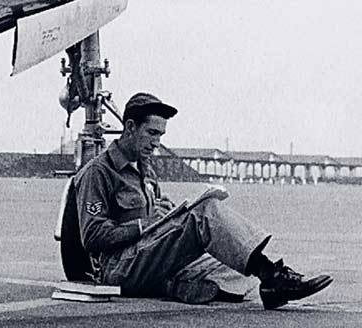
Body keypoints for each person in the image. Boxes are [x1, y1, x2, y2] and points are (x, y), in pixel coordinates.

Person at [74, 92, 333, 309]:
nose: (157, 143)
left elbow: (159, 221)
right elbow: (92, 236)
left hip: (146, 257)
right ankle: (271, 275)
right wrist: (144, 224)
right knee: (205, 211)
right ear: (130, 127)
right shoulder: (98, 172)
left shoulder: (145, 168)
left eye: (161, 135)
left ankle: (171, 285)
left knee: (236, 268)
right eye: (152, 133)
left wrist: (167, 214)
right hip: (118, 268)